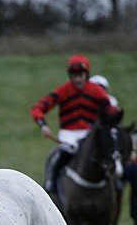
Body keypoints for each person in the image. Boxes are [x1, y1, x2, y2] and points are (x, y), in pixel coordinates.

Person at [30, 55, 120, 193]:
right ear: (70, 76)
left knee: (108, 150)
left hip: (89, 132)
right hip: (69, 133)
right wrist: (43, 124)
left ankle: (116, 181)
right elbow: (38, 108)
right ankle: (50, 183)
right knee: (65, 151)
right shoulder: (63, 90)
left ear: (86, 75)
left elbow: (110, 108)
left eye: (80, 75)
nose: (78, 79)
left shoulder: (96, 91)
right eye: (74, 76)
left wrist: (114, 116)